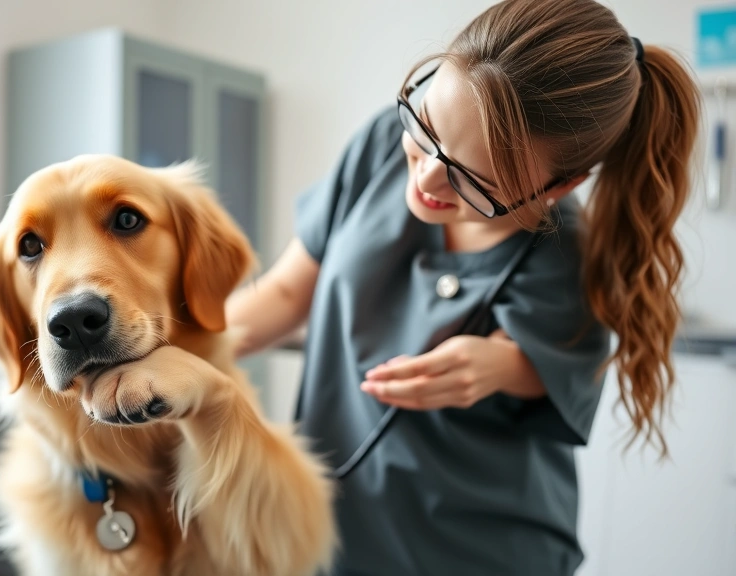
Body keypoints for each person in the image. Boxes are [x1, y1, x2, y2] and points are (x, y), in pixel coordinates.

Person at [224, 0, 701, 574]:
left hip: (480, 551)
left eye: (473, 179)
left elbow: (552, 367)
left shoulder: (566, 255)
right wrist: (156, 349)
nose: (425, 176)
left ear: (561, 186)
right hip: (333, 535)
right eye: (426, 127)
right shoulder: (381, 146)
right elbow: (281, 296)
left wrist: (500, 365)